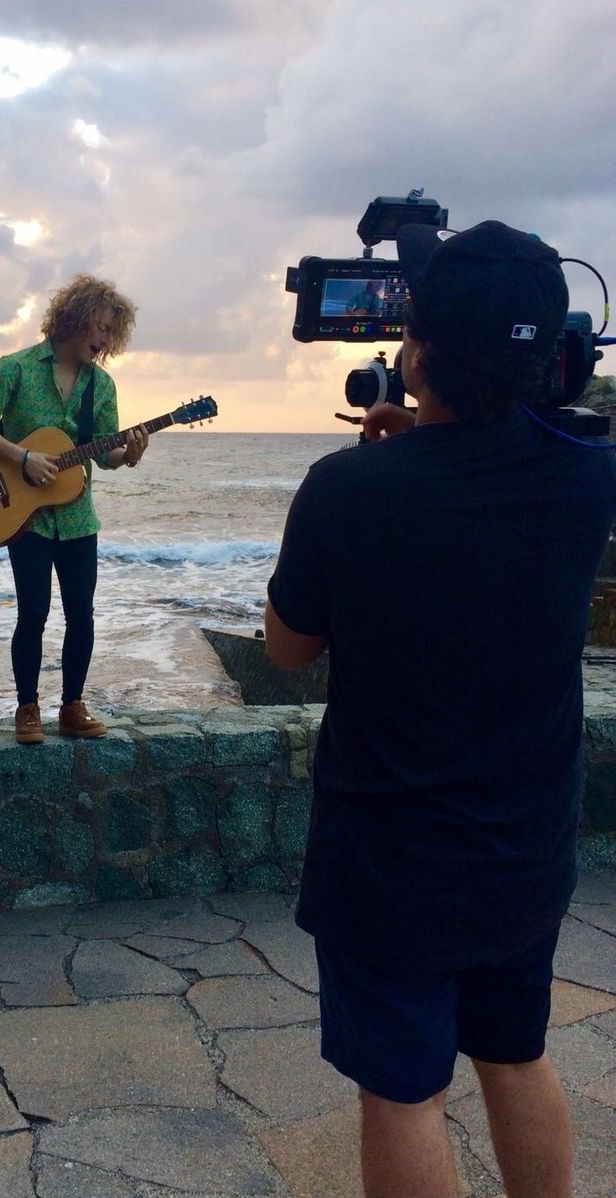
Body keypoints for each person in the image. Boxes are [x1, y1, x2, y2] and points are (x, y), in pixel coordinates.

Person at [264, 220, 616, 1197]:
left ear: (416, 351)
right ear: (559, 352)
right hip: (525, 854)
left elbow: (288, 649)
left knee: (405, 1094)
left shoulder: (349, 487)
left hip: (390, 866)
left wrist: (391, 459)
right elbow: (516, 462)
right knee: (514, 1054)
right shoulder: (591, 480)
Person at [0, 274, 149, 744]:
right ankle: (27, 708)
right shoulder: (17, 368)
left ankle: (72, 706)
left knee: (81, 614)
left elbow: (104, 454)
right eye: (100, 328)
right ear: (75, 318)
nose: (104, 341)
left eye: (111, 333)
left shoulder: (100, 387)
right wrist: (21, 457)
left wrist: (129, 454)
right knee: (33, 614)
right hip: (27, 518)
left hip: (79, 518)